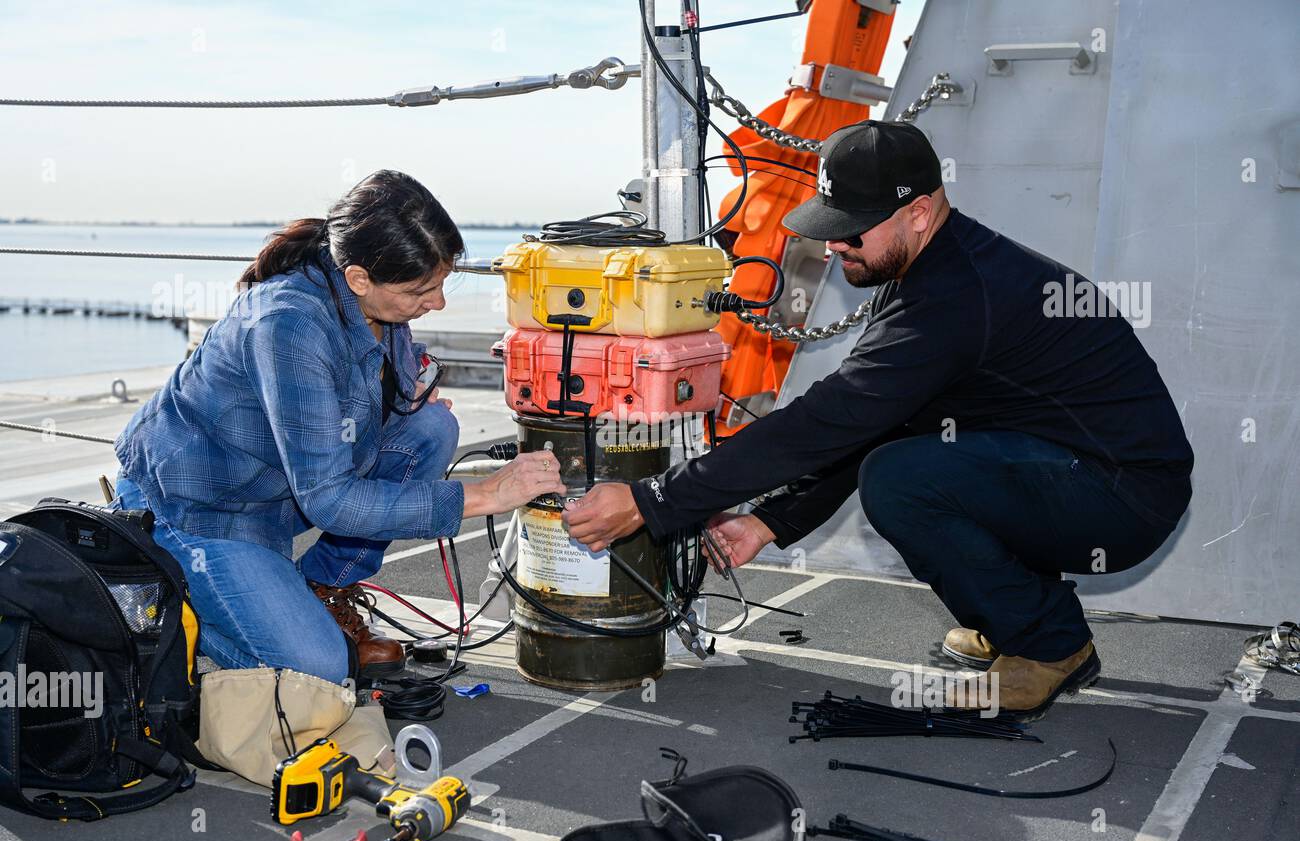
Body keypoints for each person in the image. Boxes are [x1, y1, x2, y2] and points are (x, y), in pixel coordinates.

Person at [564, 121, 1194, 720]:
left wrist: (654, 501)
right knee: (920, 448)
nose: (836, 246)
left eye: (854, 230)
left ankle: (1048, 644)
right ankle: (1020, 612)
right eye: (830, 227)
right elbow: (877, 416)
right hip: (1074, 468)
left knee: (900, 479)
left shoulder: (952, 297)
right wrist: (769, 519)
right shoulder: (934, 263)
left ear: (919, 213)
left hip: (1122, 495)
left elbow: (832, 419)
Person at [113, 170, 563, 684]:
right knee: (321, 671)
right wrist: (484, 495)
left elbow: (351, 405)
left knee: (431, 428)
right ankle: (166, 606)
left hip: (271, 496)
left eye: (441, 284)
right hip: (198, 508)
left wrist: (400, 394)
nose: (437, 302)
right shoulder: (287, 323)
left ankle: (322, 588)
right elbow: (330, 499)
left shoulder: (372, 299)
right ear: (358, 278)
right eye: (423, 289)